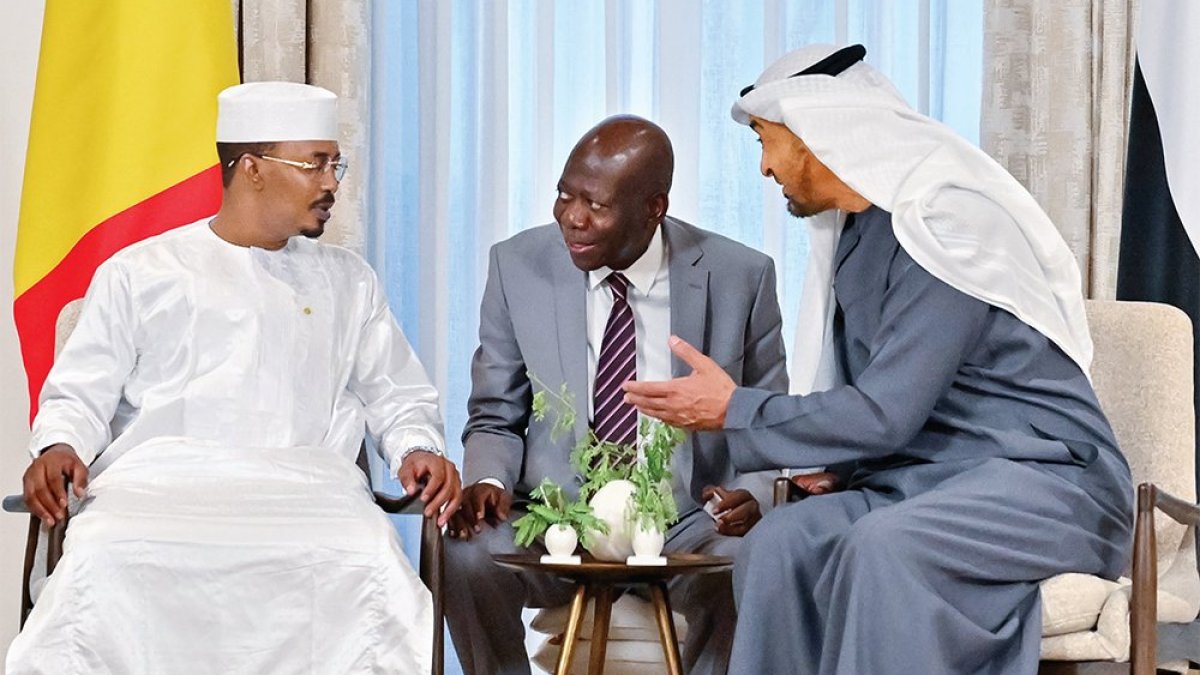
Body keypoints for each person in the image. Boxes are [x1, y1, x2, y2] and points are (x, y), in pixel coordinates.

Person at [623, 45, 1134, 674]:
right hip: (926, 478)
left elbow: (888, 411)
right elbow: (896, 397)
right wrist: (839, 466)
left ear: (815, 136)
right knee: (779, 543)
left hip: (1045, 484)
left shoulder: (943, 225)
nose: (764, 167)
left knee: (882, 545)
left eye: (766, 141)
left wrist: (734, 409)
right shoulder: (861, 233)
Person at [10, 81, 461, 674]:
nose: (332, 183)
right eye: (315, 164)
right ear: (251, 168)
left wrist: (418, 447)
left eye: (335, 164)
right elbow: (78, 393)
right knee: (104, 552)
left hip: (309, 492)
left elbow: (397, 395)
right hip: (156, 488)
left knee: (368, 554)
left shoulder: (349, 280)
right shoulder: (140, 272)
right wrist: (59, 444)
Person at [444, 115, 788, 675]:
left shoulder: (740, 276)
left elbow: (767, 419)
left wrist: (753, 495)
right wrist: (489, 481)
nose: (572, 218)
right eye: (564, 195)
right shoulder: (517, 266)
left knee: (758, 556)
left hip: (690, 518)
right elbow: (494, 415)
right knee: (466, 551)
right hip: (554, 516)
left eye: (596, 205)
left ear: (654, 208)